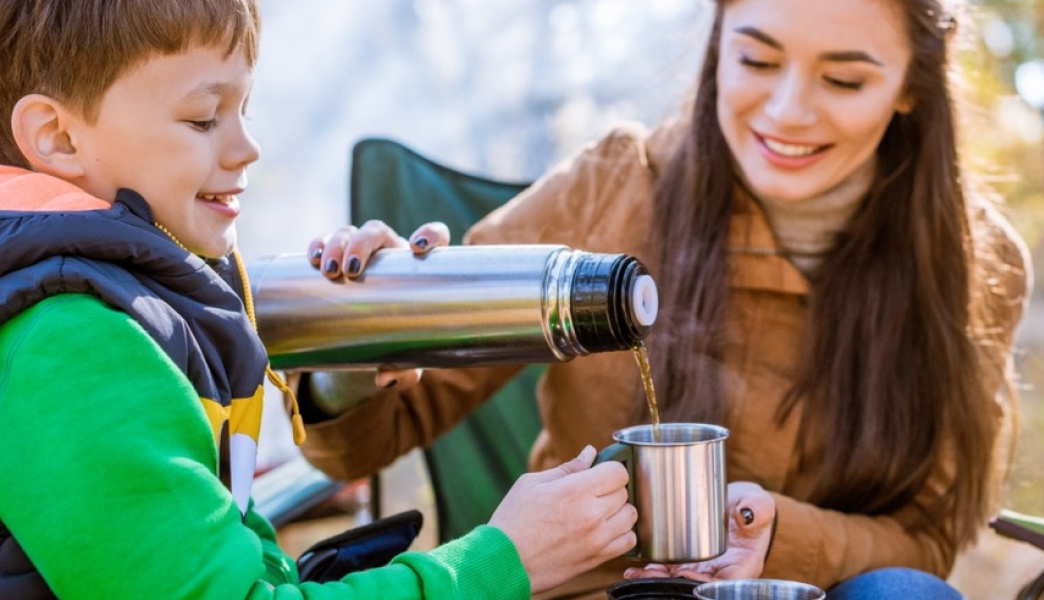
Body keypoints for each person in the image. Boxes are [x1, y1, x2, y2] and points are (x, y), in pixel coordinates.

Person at [303, 0, 1032, 597]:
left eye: (843, 81)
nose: (786, 111)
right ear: (718, 45)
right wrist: (365, 335)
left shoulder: (971, 265)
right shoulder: (615, 190)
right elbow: (376, 436)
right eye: (756, 60)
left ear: (910, 85)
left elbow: (928, 536)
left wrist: (776, 535)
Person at [0, 1, 637, 598]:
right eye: (202, 118)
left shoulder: (124, 311)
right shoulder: (77, 340)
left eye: (245, 108)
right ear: (57, 138)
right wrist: (501, 561)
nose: (247, 148)